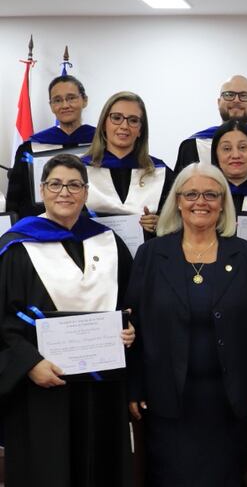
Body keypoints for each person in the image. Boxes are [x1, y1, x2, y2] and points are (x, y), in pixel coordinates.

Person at [126, 162, 247, 486]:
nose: (201, 202)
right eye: (191, 194)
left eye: (211, 194)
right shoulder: (151, 255)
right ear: (178, 201)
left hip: (228, 399)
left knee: (226, 475)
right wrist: (134, 385)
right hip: (167, 398)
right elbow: (132, 323)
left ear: (223, 203)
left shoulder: (246, 256)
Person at [0, 153, 135, 487]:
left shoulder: (110, 242)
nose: (65, 192)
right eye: (56, 184)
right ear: (42, 191)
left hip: (102, 388)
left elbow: (131, 306)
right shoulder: (16, 248)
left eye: (74, 185)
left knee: (101, 467)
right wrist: (29, 363)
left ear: (86, 193)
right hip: (43, 386)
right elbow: (3, 318)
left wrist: (131, 330)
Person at [174, 74, 247, 203]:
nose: (236, 100)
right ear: (218, 102)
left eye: (244, 96)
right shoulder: (193, 145)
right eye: (229, 94)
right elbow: (179, 198)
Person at [81, 91, 174, 237]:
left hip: (148, 256)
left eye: (133, 120)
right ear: (104, 124)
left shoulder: (160, 172)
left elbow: (179, 218)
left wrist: (162, 223)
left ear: (140, 130)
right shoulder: (80, 171)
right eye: (116, 118)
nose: (124, 126)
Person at [6, 75, 94, 218]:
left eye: (71, 98)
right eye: (57, 100)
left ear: (84, 100)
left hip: (92, 226)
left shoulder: (102, 144)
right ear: (51, 106)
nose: (65, 105)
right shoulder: (30, 148)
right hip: (41, 228)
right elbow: (15, 200)